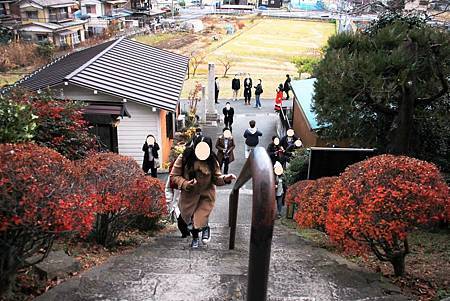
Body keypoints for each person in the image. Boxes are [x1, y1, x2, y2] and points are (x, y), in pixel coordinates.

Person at [170, 136, 236, 248]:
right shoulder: (185, 158)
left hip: (206, 195)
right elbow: (174, 176)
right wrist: (185, 183)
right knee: (190, 219)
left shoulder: (212, 161)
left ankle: (205, 228)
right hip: (189, 196)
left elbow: (216, 179)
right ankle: (195, 238)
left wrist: (225, 179)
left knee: (199, 216)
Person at [165, 161, 190, 238]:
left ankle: (189, 231)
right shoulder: (171, 177)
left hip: (187, 200)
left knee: (187, 218)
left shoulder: (188, 175)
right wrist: (169, 200)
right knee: (180, 218)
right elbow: (168, 188)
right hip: (176, 201)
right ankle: (185, 232)